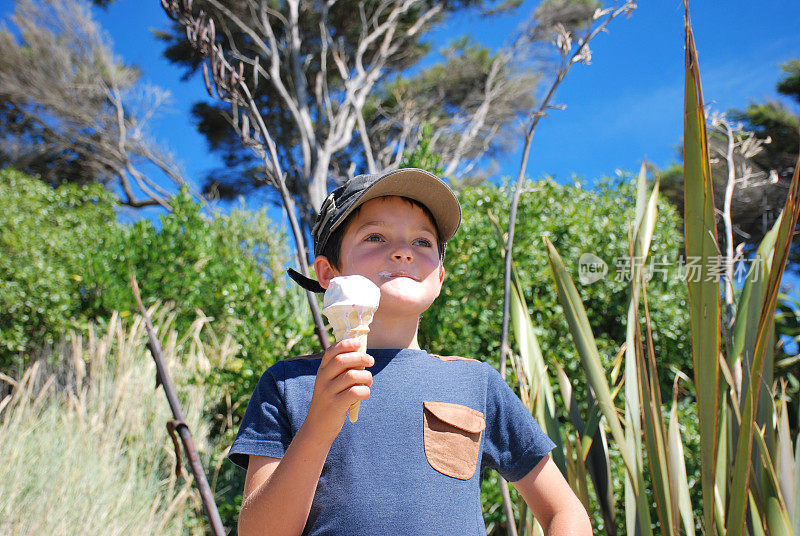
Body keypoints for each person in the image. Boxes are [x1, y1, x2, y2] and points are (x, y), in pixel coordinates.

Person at [229, 168, 592, 535]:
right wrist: (319, 426)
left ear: (439, 278)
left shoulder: (475, 381)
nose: (403, 252)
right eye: (375, 236)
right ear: (327, 273)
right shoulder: (289, 384)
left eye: (422, 242)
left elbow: (566, 512)